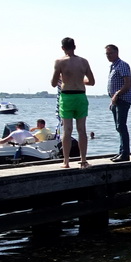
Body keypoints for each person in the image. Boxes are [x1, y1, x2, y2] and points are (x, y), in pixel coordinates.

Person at [51, 36, 95, 168]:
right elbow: (92, 82)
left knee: (67, 130)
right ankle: (83, 160)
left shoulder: (59, 61)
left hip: (67, 96)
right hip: (81, 96)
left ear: (63, 48)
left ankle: (66, 162)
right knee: (82, 130)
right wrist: (80, 80)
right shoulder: (83, 61)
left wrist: (63, 78)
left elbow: (53, 83)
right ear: (74, 47)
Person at [105, 44, 131, 162]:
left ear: (117, 53)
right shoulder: (113, 66)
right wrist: (112, 99)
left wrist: (117, 95)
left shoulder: (122, 65)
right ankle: (121, 152)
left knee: (121, 126)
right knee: (118, 127)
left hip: (122, 99)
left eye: (110, 53)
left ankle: (125, 154)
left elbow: (127, 84)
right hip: (115, 100)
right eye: (107, 54)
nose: (108, 56)